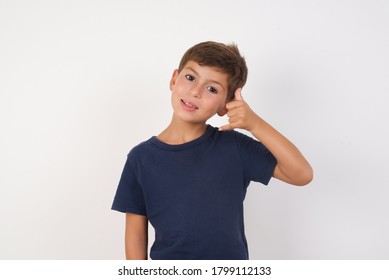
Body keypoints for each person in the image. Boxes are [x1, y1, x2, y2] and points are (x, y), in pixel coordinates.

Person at [111, 41, 313, 260]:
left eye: (212, 89)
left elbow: (301, 174)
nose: (195, 92)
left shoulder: (234, 146)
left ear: (225, 106)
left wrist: (254, 124)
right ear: (173, 79)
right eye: (190, 78)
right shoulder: (141, 158)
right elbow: (135, 234)